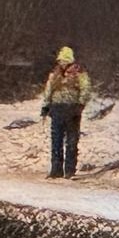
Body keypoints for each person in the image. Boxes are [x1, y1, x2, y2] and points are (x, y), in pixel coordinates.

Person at [40, 46, 91, 179]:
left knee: (71, 141)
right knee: (56, 141)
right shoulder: (55, 75)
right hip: (56, 109)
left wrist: (80, 104)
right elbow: (48, 91)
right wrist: (45, 106)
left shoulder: (80, 74)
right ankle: (56, 170)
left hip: (72, 110)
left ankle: (69, 170)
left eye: (64, 61)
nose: (61, 64)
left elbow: (86, 90)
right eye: (60, 61)